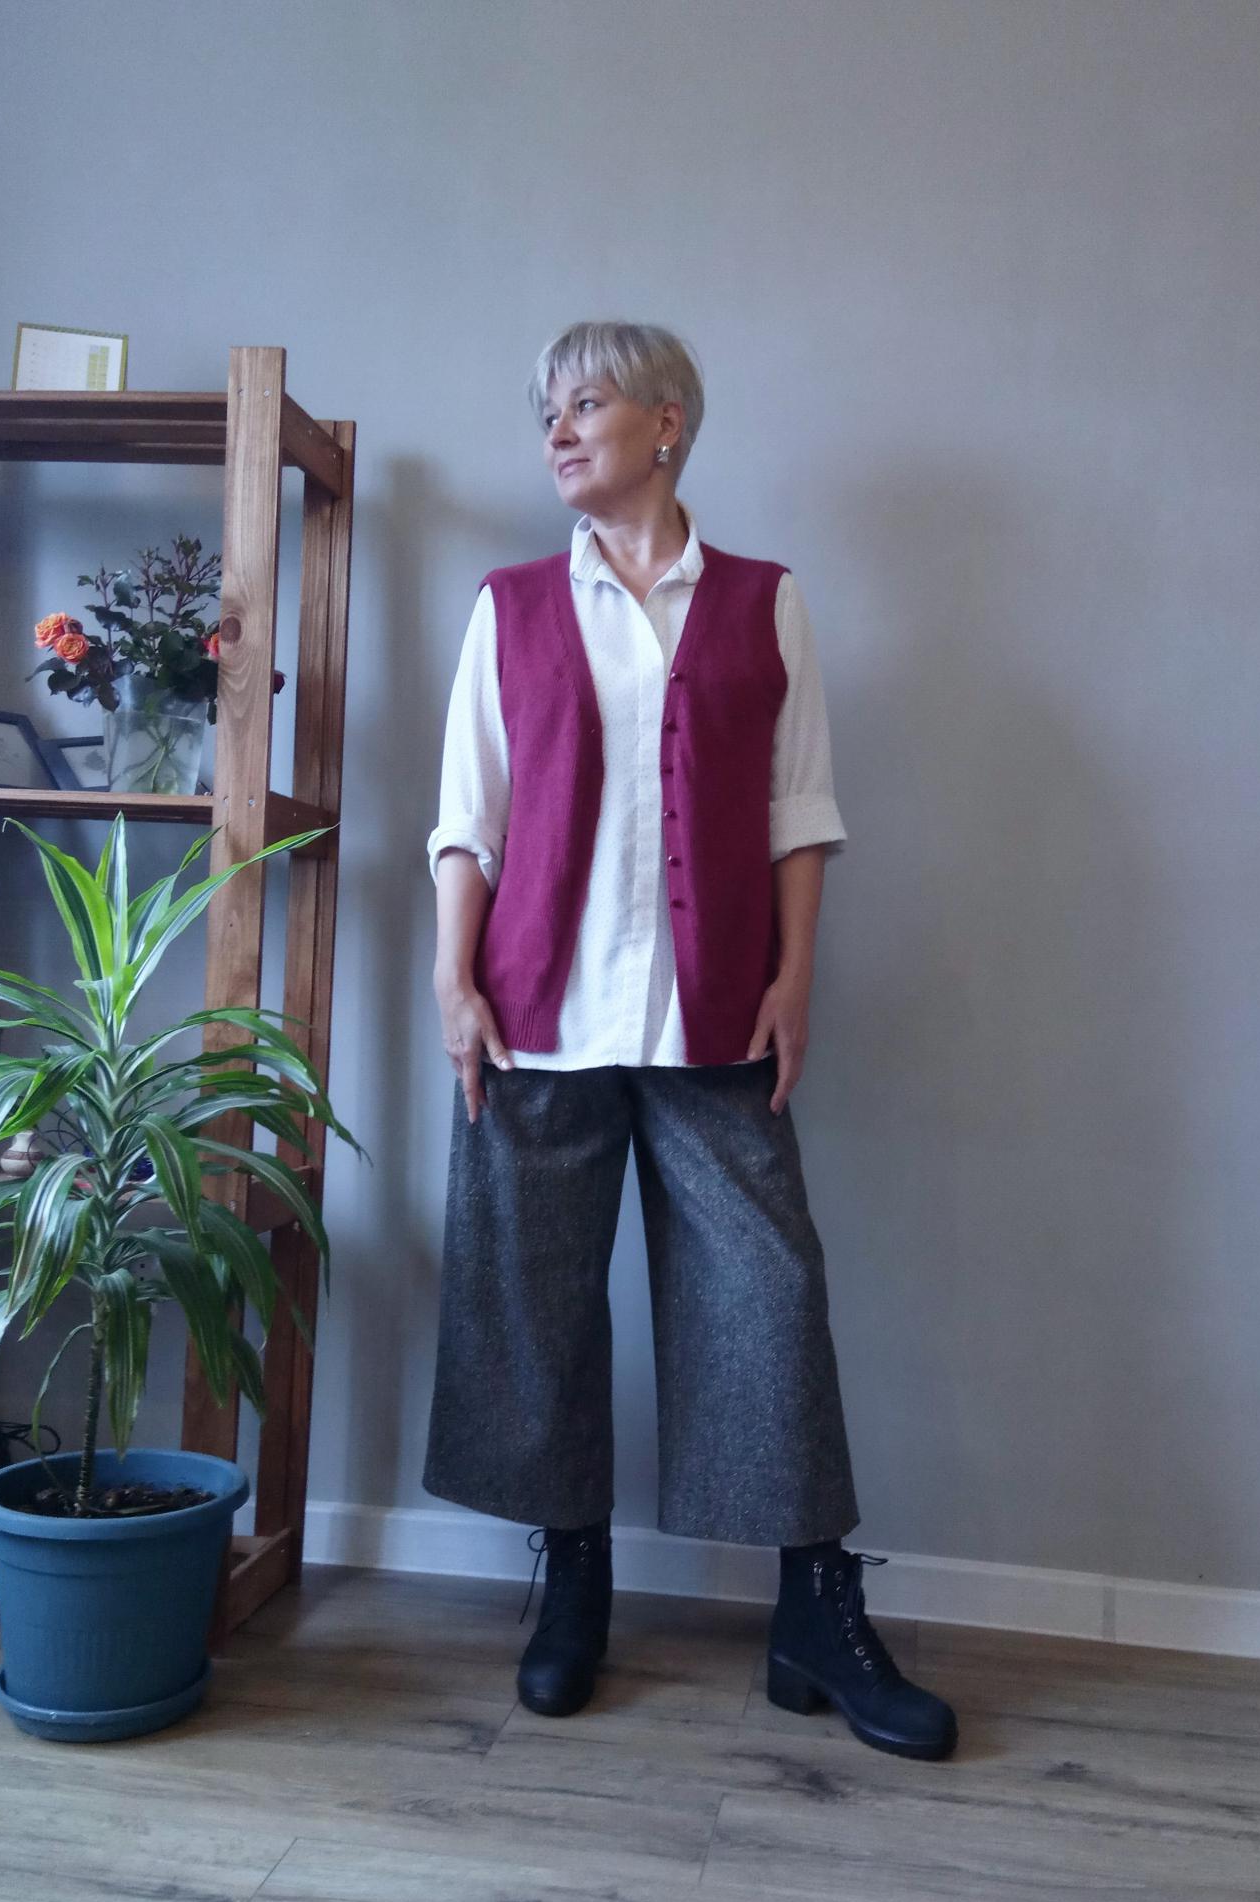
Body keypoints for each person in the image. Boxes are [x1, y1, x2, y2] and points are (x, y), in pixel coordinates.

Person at [423, 320, 956, 1760]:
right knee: (534, 1308)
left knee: (769, 1301)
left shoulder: (766, 603)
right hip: (535, 1018)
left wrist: (795, 977)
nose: (555, 431)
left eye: (584, 403)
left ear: (667, 424)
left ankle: (814, 1609)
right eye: (545, 410)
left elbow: (798, 809)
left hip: (714, 1012)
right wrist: (453, 979)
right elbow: (469, 814)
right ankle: (572, 1578)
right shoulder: (509, 606)